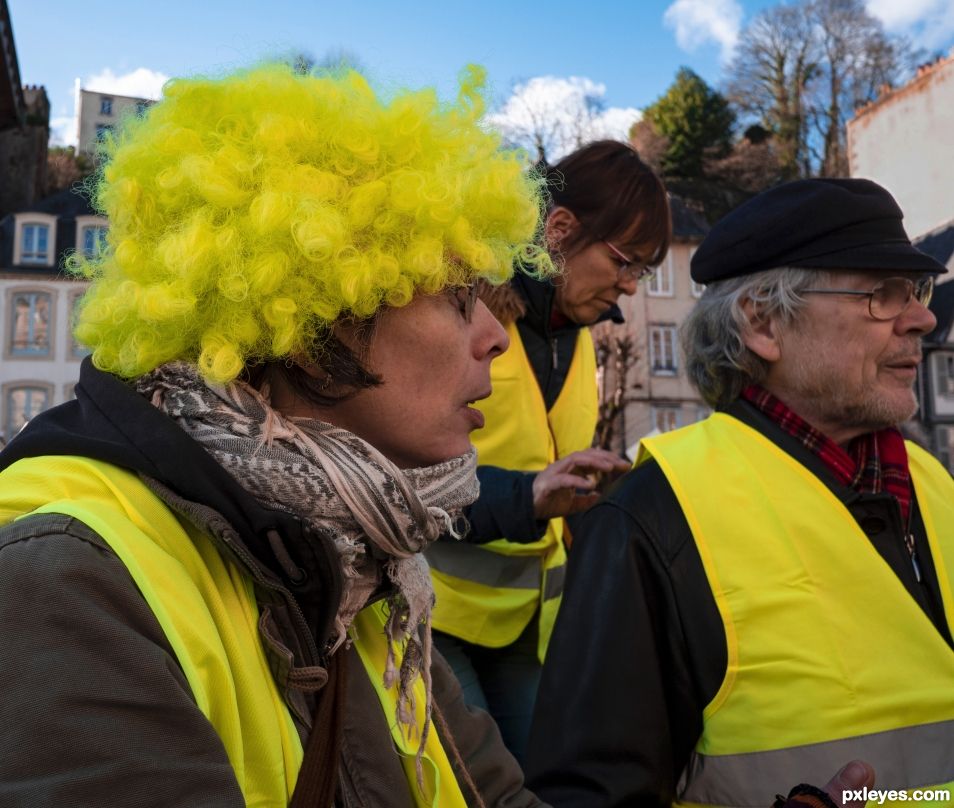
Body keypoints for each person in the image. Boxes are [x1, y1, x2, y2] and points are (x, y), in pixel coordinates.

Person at [0, 63, 553, 807]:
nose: (495, 337)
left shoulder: (365, 564)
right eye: (458, 297)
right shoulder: (67, 579)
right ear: (310, 321)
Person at [525, 178, 954, 807]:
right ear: (762, 322)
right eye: (881, 295)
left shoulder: (934, 482)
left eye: (913, 291)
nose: (923, 317)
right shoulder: (650, 519)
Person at [425, 140, 669, 762]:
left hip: (530, 628)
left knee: (537, 778)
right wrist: (530, 495)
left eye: (642, 271)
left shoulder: (581, 339)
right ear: (560, 229)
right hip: (431, 615)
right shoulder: (465, 317)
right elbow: (404, 472)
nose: (632, 288)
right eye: (625, 263)